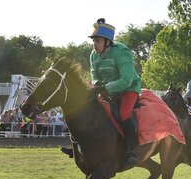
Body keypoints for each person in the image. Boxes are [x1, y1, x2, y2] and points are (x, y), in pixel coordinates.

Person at [61, 18, 142, 166]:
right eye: (93, 41)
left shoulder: (122, 53)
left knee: (124, 114)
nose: (94, 44)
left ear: (107, 42)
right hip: (107, 90)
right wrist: (98, 84)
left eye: (97, 41)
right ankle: (78, 148)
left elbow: (126, 80)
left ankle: (131, 151)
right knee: (87, 110)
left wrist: (105, 88)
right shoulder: (94, 55)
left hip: (129, 89)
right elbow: (95, 75)